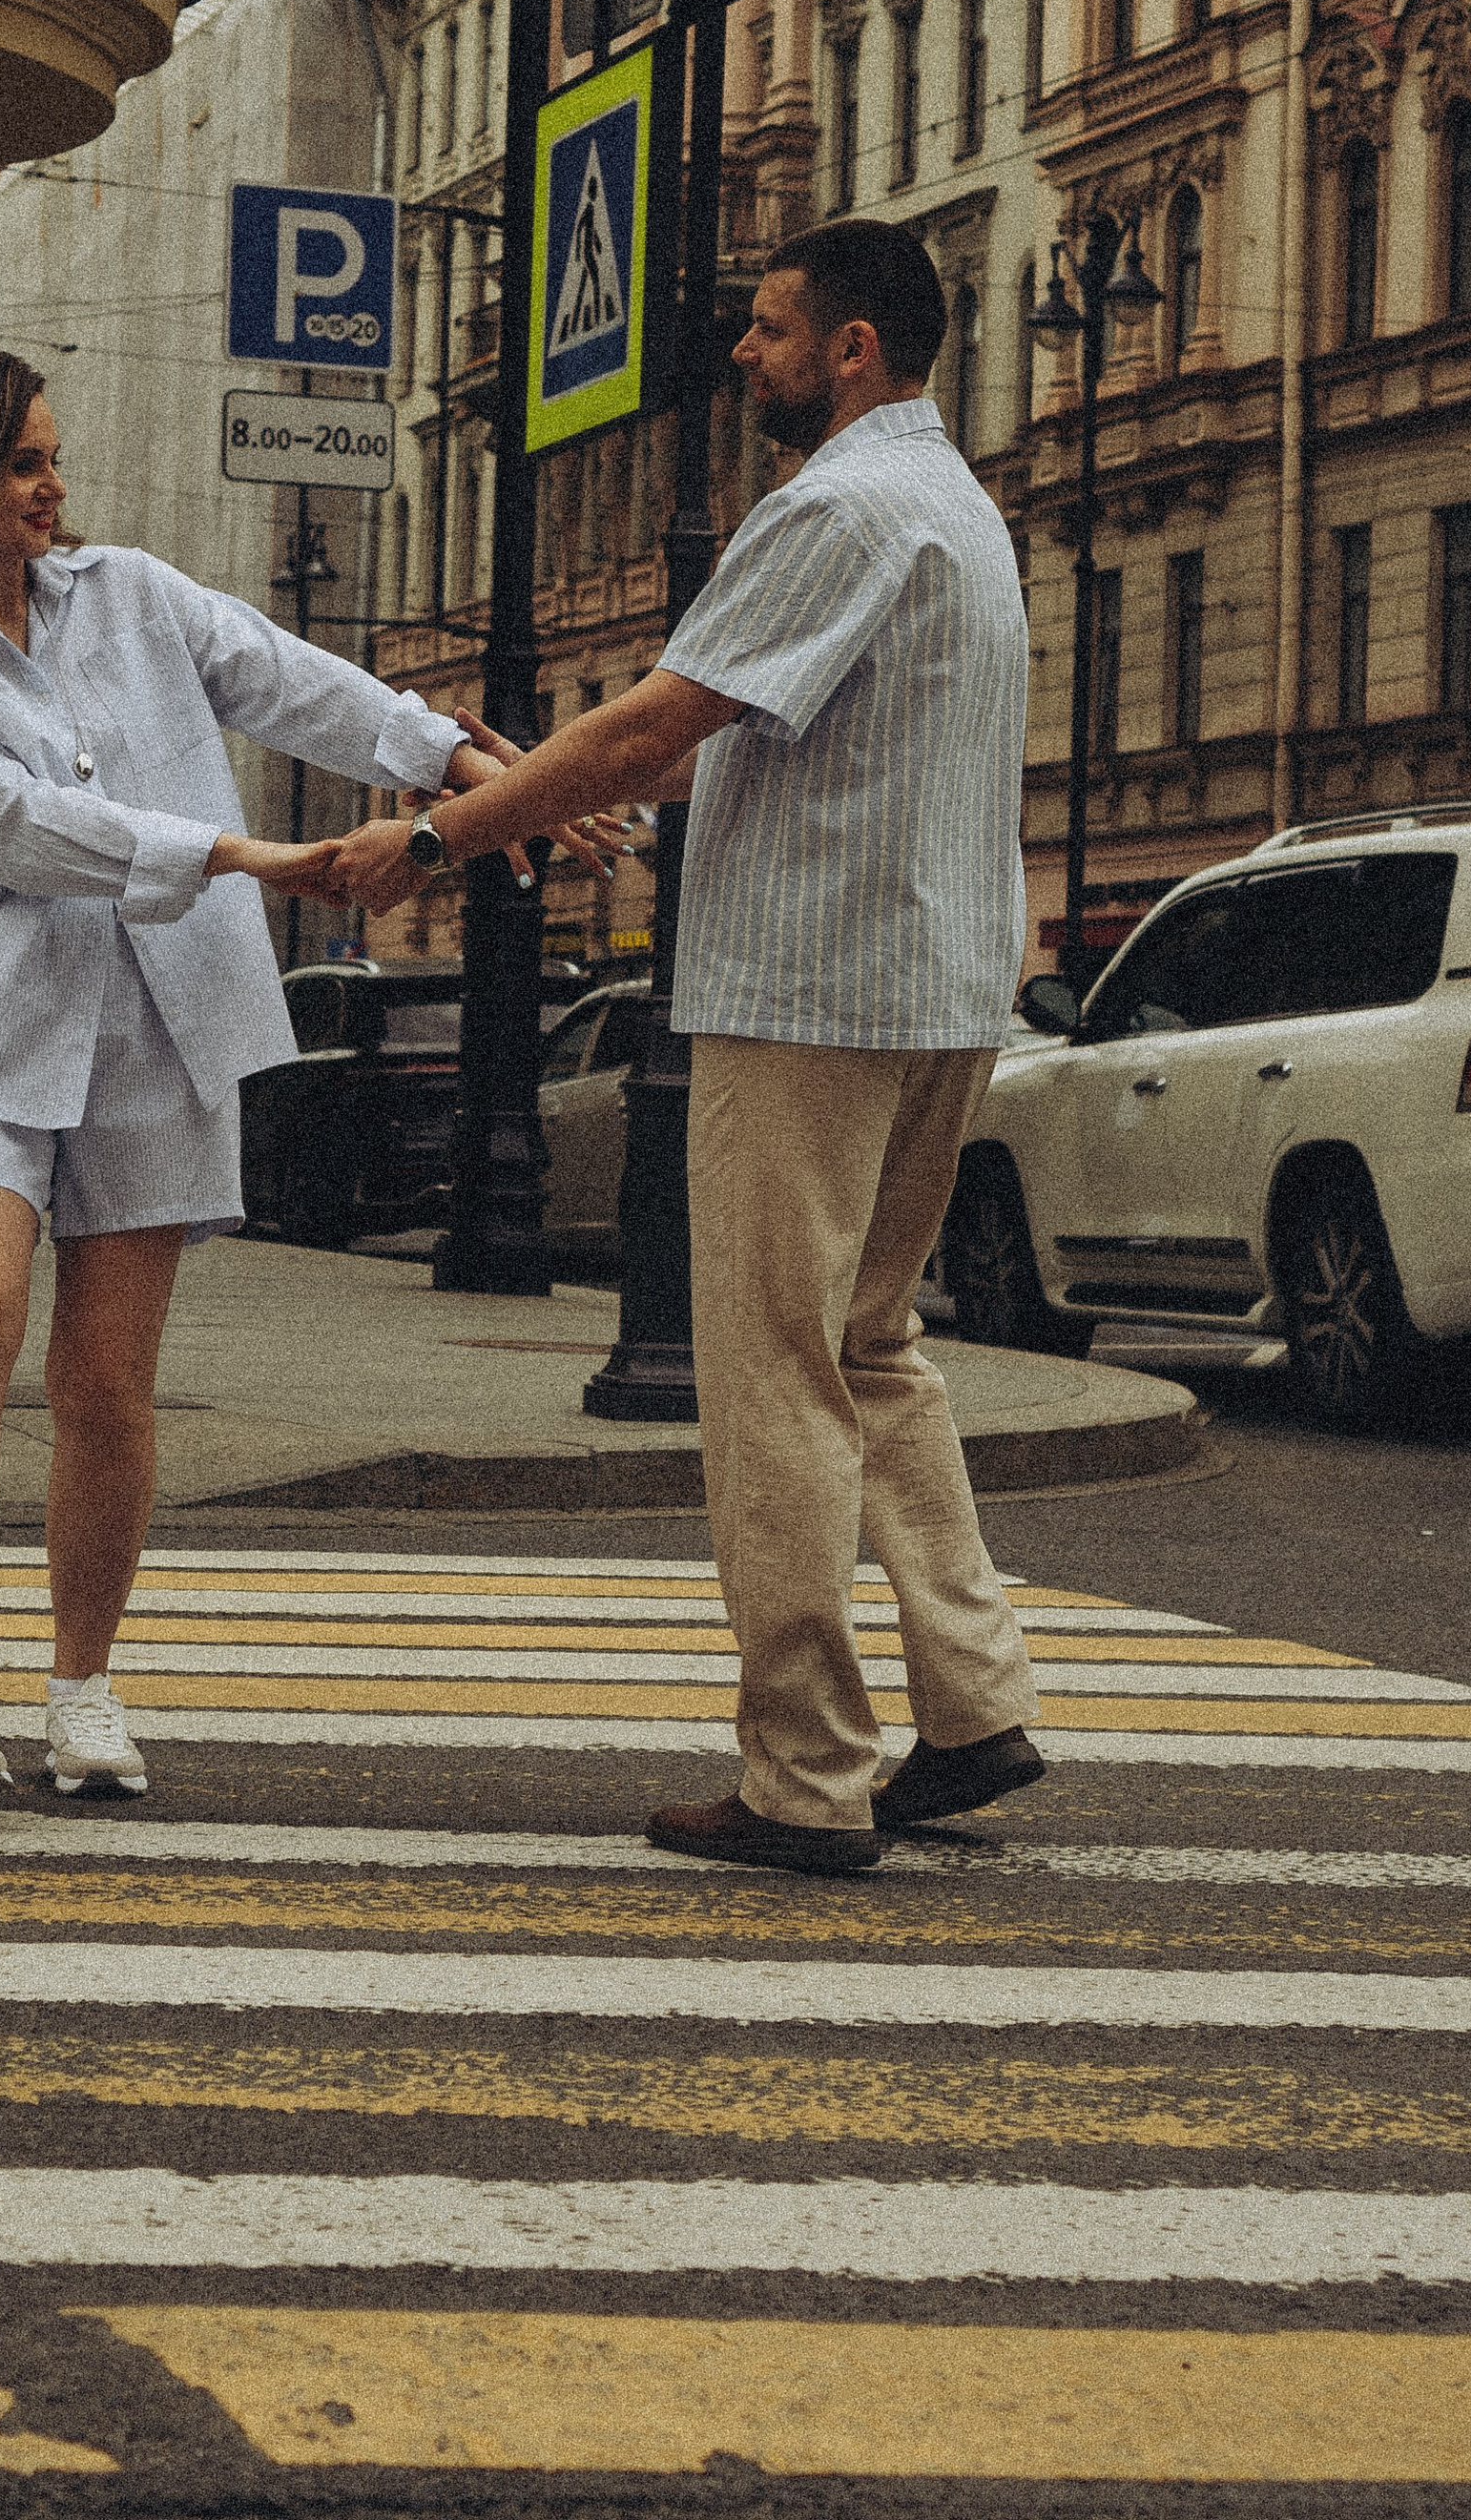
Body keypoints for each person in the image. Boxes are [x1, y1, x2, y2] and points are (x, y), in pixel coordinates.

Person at [330, 218, 1042, 1876]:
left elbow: (664, 716)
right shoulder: (957, 509)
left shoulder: (837, 504)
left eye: (772, 327)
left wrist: (441, 841)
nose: (744, 353)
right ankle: (974, 1701)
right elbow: (741, 753)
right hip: (932, 993)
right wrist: (552, 805)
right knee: (871, 1345)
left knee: (778, 1369)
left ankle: (805, 1776)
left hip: (808, 1002)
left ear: (852, 349)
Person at [0, 345, 577, 1823]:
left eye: (53, 457)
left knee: (107, 1379)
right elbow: (23, 828)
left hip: (160, 1030)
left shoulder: (136, 597)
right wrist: (246, 857)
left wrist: (466, 767)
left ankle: (81, 1685)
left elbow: (293, 685)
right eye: (25, 463)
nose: (54, 487)